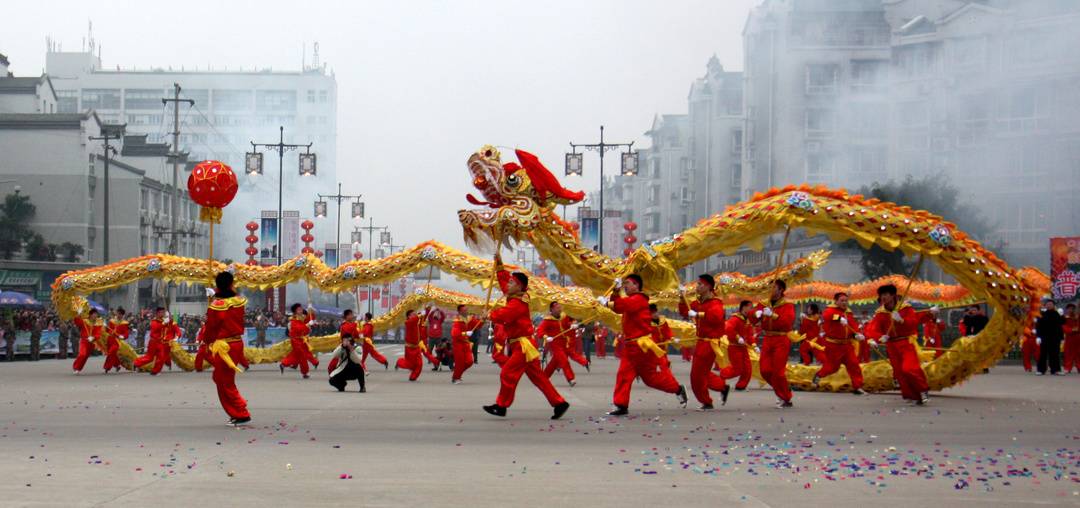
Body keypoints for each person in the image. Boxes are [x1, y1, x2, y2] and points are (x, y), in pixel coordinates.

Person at [483, 253, 569, 419]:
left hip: (522, 346)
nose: (507, 284)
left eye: (511, 282)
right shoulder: (514, 296)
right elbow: (503, 282)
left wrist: (489, 315)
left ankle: (501, 406)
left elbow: (504, 315)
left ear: (519, 286)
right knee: (539, 377)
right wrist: (500, 265)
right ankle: (559, 403)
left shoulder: (518, 303)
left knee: (507, 373)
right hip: (522, 344)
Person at [599, 274, 687, 416]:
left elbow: (623, 305)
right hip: (631, 346)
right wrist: (615, 292)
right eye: (624, 283)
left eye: (627, 283)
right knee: (623, 375)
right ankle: (621, 405)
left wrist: (606, 303)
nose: (625, 286)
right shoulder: (632, 299)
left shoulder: (639, 299)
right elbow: (619, 308)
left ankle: (677, 389)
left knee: (651, 379)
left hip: (641, 347)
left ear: (636, 285)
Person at [864, 284, 930, 405]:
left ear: (893, 295)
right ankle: (912, 395)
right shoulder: (880, 313)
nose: (883, 297)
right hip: (892, 345)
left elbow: (914, 322)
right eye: (881, 295)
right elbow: (872, 329)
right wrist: (878, 338)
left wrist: (901, 320)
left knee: (909, 368)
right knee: (899, 372)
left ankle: (923, 389)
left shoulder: (905, 308)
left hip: (906, 342)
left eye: (885, 294)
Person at [201, 271, 251, 426]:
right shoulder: (238, 301)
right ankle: (236, 410)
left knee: (224, 380)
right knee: (220, 378)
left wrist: (206, 341)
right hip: (236, 343)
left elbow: (211, 327)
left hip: (224, 346)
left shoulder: (216, 306)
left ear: (217, 286)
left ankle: (240, 411)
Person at [677, 274, 730, 410]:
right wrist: (682, 298)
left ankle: (706, 401)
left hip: (710, 343)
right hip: (701, 342)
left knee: (697, 375)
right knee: (703, 373)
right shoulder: (699, 303)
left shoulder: (716, 303)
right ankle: (722, 387)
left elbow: (716, 316)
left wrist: (699, 315)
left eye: (700, 284)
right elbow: (684, 311)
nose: (697, 286)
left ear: (708, 287)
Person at [750, 280, 796, 408]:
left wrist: (773, 315)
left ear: (781, 290)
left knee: (778, 372)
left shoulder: (788, 305)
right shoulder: (764, 303)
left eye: (773, 287)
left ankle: (786, 398)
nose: (770, 289)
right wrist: (756, 313)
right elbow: (751, 317)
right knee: (764, 370)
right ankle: (783, 390)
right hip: (768, 339)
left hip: (781, 339)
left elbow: (787, 322)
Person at [813, 292, 866, 395]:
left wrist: (857, 335)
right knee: (832, 368)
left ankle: (857, 386)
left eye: (846, 300)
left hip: (847, 345)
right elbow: (828, 317)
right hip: (833, 346)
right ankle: (819, 375)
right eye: (842, 300)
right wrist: (838, 318)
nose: (844, 303)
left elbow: (853, 327)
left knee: (854, 365)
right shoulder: (829, 311)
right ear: (836, 301)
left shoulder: (848, 313)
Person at [538, 302, 579, 386]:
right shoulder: (547, 320)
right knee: (564, 360)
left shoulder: (564, 316)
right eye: (557, 308)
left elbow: (568, 323)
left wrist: (573, 325)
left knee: (554, 363)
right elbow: (540, 331)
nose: (559, 309)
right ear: (552, 309)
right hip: (555, 344)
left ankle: (543, 377)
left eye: (560, 307)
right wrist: (546, 337)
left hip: (564, 342)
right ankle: (570, 379)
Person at [719, 300, 755, 391]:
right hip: (734, 347)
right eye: (750, 307)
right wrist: (737, 337)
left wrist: (754, 345)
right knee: (737, 369)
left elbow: (750, 334)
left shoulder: (747, 320)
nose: (752, 309)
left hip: (743, 347)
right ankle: (722, 375)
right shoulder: (735, 318)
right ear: (744, 307)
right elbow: (728, 328)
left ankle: (741, 386)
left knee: (748, 369)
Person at [279, 303, 319, 378]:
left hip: (302, 340)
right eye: (299, 309)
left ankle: (284, 364)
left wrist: (311, 310)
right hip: (296, 340)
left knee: (299, 355)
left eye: (301, 309)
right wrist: (307, 325)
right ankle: (304, 372)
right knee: (300, 356)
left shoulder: (301, 317)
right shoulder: (293, 320)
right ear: (295, 311)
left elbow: (310, 318)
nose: (301, 310)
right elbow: (299, 328)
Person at [450, 305, 480, 384]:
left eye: (467, 309)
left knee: (469, 361)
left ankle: (457, 375)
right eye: (464, 310)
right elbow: (454, 334)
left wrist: (483, 319)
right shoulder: (457, 321)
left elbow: (478, 325)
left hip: (466, 343)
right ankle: (456, 377)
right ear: (459, 311)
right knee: (460, 362)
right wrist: (465, 333)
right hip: (458, 344)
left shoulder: (470, 319)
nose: (466, 311)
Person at [1034, 299, 1065, 376]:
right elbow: (1038, 326)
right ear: (1045, 305)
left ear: (1054, 305)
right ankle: (1041, 370)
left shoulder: (1057, 314)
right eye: (1048, 304)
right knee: (1043, 354)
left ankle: (1056, 370)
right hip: (1044, 337)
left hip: (1055, 338)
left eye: (1051, 304)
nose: (1049, 305)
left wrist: (1062, 315)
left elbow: (1061, 324)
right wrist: (1038, 336)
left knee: (1055, 354)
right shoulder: (1042, 314)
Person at [395, 310, 426, 381]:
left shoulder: (416, 322)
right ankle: (399, 362)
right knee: (409, 365)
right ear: (408, 316)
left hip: (417, 347)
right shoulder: (408, 322)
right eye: (413, 314)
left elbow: (422, 318)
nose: (415, 315)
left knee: (419, 364)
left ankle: (413, 377)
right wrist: (418, 316)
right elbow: (415, 319)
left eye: (415, 314)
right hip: (409, 348)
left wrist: (427, 309)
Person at [72, 308, 104, 374]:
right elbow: (77, 322)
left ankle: (79, 369)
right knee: (82, 354)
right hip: (84, 341)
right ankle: (75, 367)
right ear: (90, 315)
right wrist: (78, 314)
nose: (95, 316)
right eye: (94, 314)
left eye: (96, 315)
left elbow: (98, 334)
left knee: (85, 357)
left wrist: (93, 337)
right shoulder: (84, 321)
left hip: (91, 343)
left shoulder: (98, 324)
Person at [103, 308, 130, 372]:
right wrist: (105, 327)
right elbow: (107, 330)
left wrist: (123, 336)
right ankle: (117, 365)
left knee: (112, 351)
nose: (118, 315)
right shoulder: (112, 321)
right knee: (113, 354)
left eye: (120, 314)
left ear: (122, 315)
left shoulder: (125, 323)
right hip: (110, 339)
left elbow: (126, 333)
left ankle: (107, 367)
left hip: (117, 340)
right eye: (118, 313)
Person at [421, 305, 444, 371]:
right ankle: (431, 360)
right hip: (431, 338)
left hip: (438, 338)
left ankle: (438, 362)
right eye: (435, 315)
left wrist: (440, 311)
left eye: (436, 315)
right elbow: (430, 315)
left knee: (438, 351)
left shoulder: (440, 321)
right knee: (429, 350)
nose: (435, 316)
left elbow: (443, 316)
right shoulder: (431, 320)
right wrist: (433, 310)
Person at [1062, 303, 1080, 374]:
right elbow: (1063, 327)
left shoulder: (1078, 317)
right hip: (1069, 337)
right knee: (1068, 353)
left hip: (1078, 337)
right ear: (1066, 310)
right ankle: (1067, 368)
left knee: (1079, 353)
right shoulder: (1064, 318)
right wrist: (1072, 330)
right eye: (1069, 308)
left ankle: (1079, 367)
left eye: (1072, 308)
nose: (1071, 310)